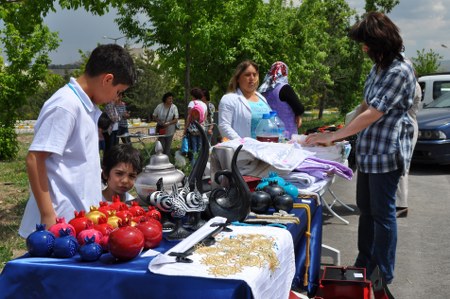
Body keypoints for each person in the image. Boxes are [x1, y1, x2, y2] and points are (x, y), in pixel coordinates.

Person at [305, 12, 416, 289]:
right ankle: (364, 263)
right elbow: (366, 105)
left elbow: (375, 113)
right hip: (368, 152)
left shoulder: (400, 70)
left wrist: (336, 136)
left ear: (380, 41)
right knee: (366, 211)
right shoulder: (378, 67)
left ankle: (382, 274)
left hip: (385, 154)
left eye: (366, 43)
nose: (363, 49)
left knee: (383, 214)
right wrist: (336, 132)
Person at [19, 44, 136, 238]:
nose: (116, 98)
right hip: (58, 224)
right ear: (108, 79)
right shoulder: (66, 105)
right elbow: (35, 159)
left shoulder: (85, 107)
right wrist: (48, 216)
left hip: (78, 221)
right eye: (119, 91)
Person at [218, 60, 271, 140]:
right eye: (247, 75)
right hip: (244, 150)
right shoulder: (229, 99)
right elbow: (224, 126)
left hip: (265, 148)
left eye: (255, 74)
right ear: (238, 79)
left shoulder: (262, 98)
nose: (252, 78)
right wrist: (242, 144)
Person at [396, 60, 422, 218]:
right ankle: (399, 203)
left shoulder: (413, 86)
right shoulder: (413, 85)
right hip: (407, 127)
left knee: (401, 166)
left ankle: (401, 204)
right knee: (402, 167)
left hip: (407, 128)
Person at [258, 61, 305, 139]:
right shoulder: (284, 88)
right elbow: (299, 107)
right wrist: (298, 114)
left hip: (269, 132)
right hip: (286, 133)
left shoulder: (265, 89)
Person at [184, 88, 207, 164]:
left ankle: (194, 168)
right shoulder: (204, 104)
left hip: (193, 129)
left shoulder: (191, 103)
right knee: (200, 148)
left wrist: (185, 129)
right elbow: (205, 118)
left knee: (194, 148)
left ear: (193, 95)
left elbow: (189, 117)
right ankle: (201, 167)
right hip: (201, 129)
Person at [152, 92, 179, 156]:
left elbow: (176, 119)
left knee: (168, 147)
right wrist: (160, 122)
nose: (171, 100)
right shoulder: (159, 106)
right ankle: (160, 160)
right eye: (169, 98)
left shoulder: (174, 107)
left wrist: (169, 123)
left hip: (170, 130)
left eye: (172, 98)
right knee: (161, 146)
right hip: (161, 129)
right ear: (165, 99)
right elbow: (154, 115)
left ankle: (167, 161)